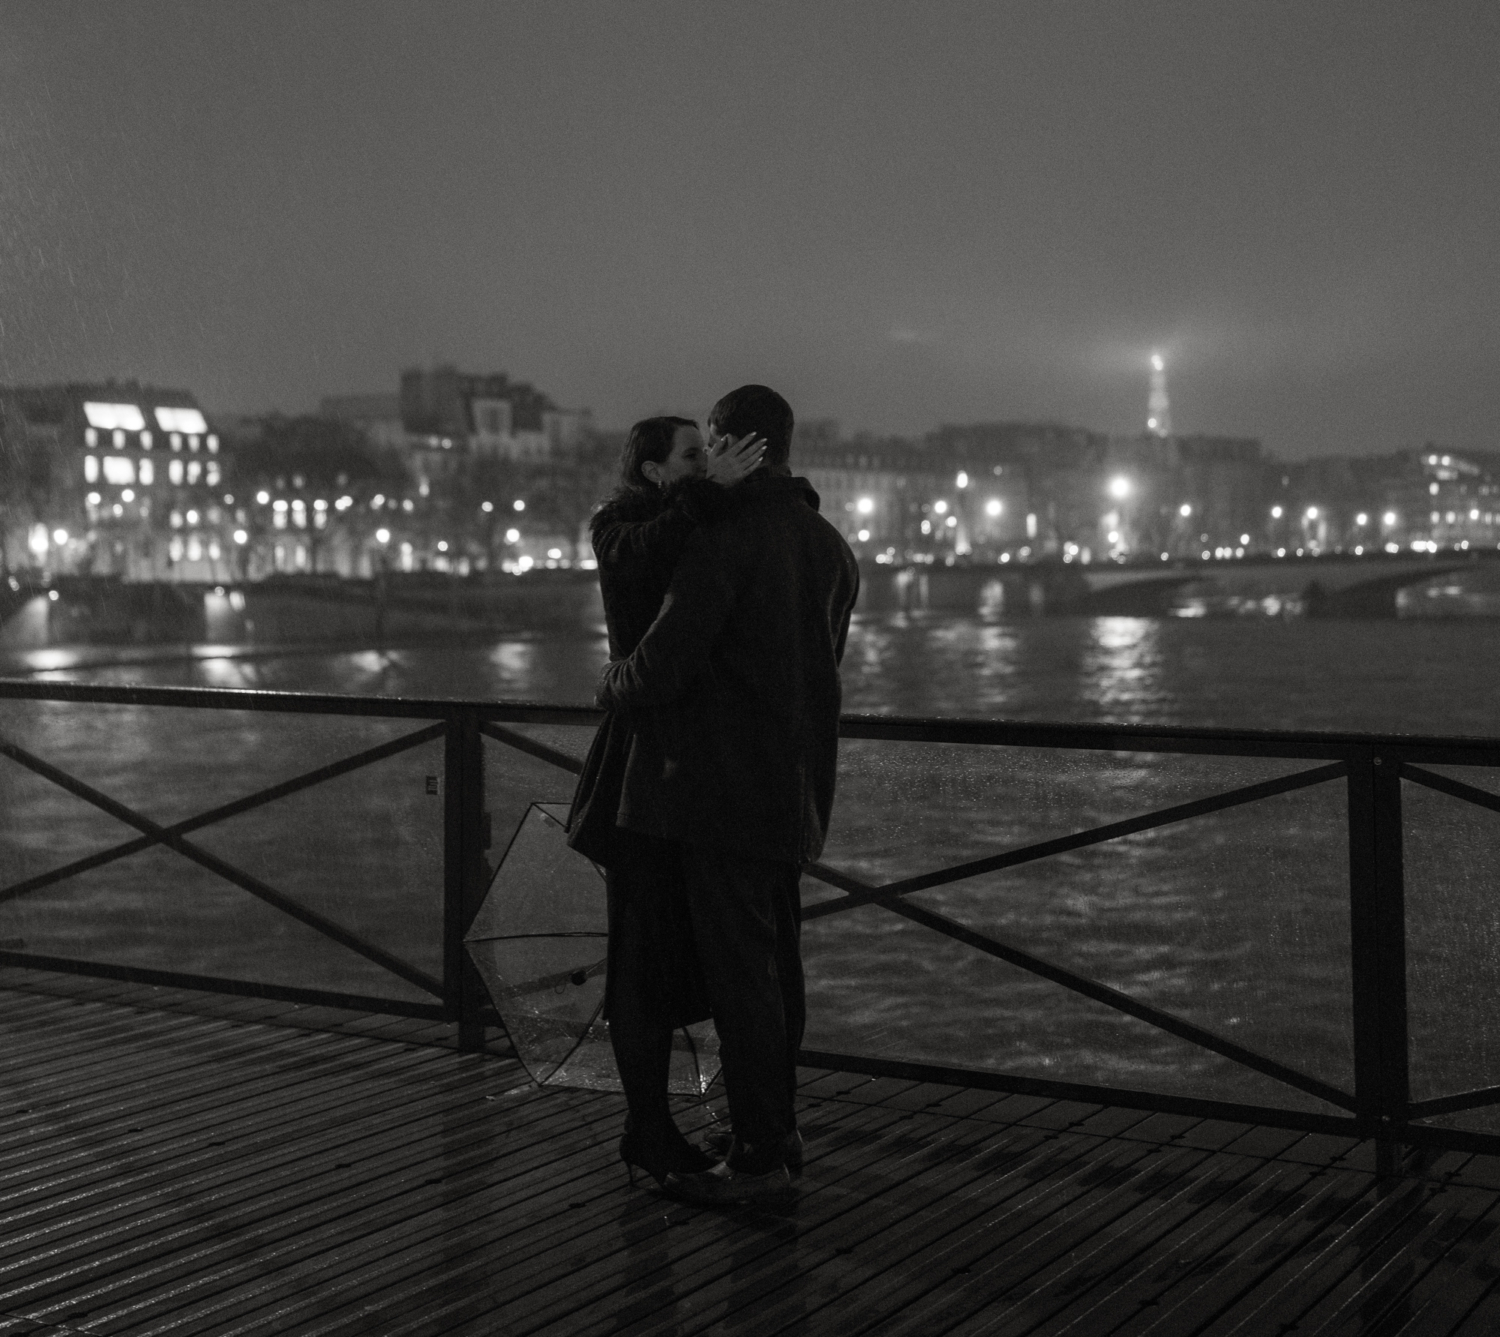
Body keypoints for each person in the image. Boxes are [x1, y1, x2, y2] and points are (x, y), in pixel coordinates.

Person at [597, 384, 861, 1204]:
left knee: (740, 981)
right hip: (795, 792)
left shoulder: (726, 541)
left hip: (717, 796)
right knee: (781, 972)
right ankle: (777, 1130)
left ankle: (756, 1154)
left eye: (710, 443)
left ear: (730, 442)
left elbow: (664, 660)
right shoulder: (830, 545)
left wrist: (613, 680)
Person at [567, 414, 764, 1189]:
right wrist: (711, 493)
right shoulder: (617, 528)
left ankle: (656, 1122)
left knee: (663, 953)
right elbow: (644, 559)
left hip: (680, 767)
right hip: (638, 771)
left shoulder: (693, 519)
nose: (707, 462)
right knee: (643, 959)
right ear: (652, 471)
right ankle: (646, 1125)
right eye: (692, 454)